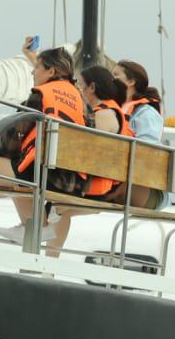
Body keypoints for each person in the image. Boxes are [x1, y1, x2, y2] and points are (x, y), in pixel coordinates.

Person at [0, 46, 83, 245]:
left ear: (51, 71)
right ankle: (29, 226)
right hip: (68, 177)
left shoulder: (40, 95)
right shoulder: (78, 98)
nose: (32, 71)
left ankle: (33, 227)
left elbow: (14, 137)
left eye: (37, 66)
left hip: (40, 174)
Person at [40, 65, 133, 255]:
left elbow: (85, 151)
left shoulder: (103, 114)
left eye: (80, 85)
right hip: (101, 184)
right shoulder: (108, 110)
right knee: (56, 205)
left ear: (91, 87)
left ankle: (39, 243)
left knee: (46, 192)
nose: (78, 90)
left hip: (98, 187)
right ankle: (48, 258)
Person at [112, 59, 164, 143]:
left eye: (115, 75)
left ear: (131, 82)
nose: (111, 79)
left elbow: (149, 147)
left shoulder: (146, 113)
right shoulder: (114, 107)